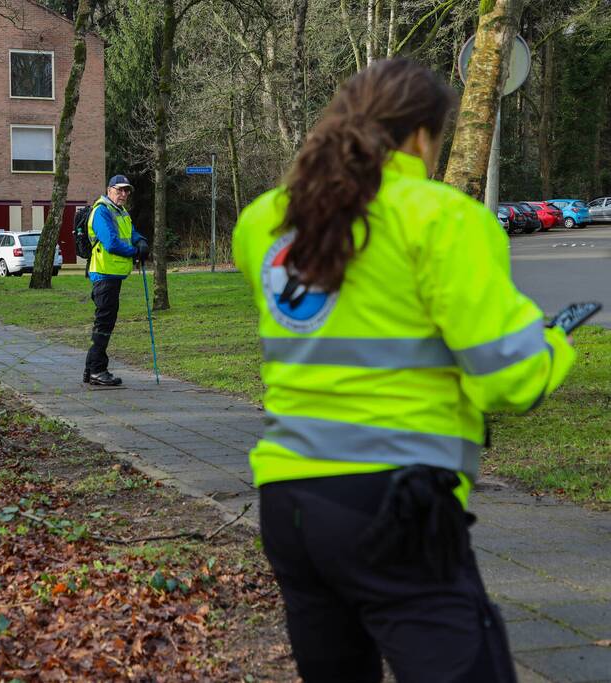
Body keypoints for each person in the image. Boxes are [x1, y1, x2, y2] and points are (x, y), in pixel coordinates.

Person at [232, 59, 575, 683]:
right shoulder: (441, 216)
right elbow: (509, 376)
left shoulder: (265, 221)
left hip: (290, 503)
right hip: (396, 505)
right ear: (421, 136)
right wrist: (553, 346)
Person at [83, 175, 148, 386]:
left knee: (104, 322)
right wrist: (135, 253)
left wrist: (141, 241)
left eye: (127, 191)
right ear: (109, 190)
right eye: (119, 190)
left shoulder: (120, 211)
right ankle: (97, 370)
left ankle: (90, 370)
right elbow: (111, 243)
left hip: (113, 275)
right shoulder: (102, 211)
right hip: (103, 275)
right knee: (104, 323)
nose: (124, 194)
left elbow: (131, 232)